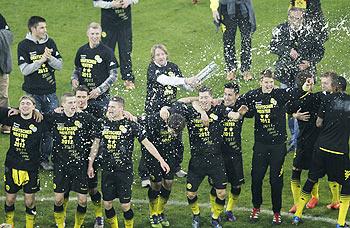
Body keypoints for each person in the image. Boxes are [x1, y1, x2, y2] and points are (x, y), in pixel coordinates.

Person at [161, 86, 245, 228]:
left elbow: (233, 115)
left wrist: (239, 114)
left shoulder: (219, 110)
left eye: (206, 97)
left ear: (211, 99)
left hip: (216, 160)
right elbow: (179, 102)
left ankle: (215, 217)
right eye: (201, 97)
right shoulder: (191, 112)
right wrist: (165, 108)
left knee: (222, 193)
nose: (204, 100)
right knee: (191, 193)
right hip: (197, 161)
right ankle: (196, 215)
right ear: (198, 99)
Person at [87, 96, 170, 228]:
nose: (109, 109)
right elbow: (95, 145)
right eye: (109, 107)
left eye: (113, 107)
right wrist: (90, 164)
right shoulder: (102, 123)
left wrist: (161, 160)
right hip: (107, 170)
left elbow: (147, 144)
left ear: (121, 108)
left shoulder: (130, 124)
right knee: (107, 204)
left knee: (125, 205)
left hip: (124, 171)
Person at [239, 69, 309, 225]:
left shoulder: (280, 94)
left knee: (275, 181)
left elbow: (296, 93)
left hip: (278, 146)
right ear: (261, 82)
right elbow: (241, 104)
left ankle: (276, 212)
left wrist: (305, 86)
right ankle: (256, 208)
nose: (269, 85)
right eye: (266, 82)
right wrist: (242, 110)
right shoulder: (253, 95)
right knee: (256, 178)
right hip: (260, 145)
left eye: (271, 82)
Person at [292, 75, 350, 227]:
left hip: (321, 148)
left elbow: (318, 123)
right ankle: (341, 222)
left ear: (335, 87)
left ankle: (297, 215)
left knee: (311, 179)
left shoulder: (327, 100)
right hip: (339, 151)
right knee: (347, 184)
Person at [139, 44, 198, 187]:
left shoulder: (173, 66)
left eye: (162, 54)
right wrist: (185, 80)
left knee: (175, 137)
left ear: (166, 54)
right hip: (154, 110)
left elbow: (182, 85)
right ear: (153, 57)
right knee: (151, 140)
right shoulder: (152, 69)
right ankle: (145, 174)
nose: (160, 57)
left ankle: (176, 167)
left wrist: (192, 84)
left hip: (172, 108)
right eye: (157, 55)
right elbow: (165, 80)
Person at [17, 16, 63, 171]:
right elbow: (24, 69)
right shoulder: (23, 45)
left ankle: (44, 159)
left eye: (45, 27)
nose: (45, 30)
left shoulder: (50, 43)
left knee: (50, 127)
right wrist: (40, 60)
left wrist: (49, 58)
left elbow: (60, 65)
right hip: (32, 95)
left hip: (50, 93)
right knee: (33, 127)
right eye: (42, 28)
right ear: (33, 29)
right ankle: (30, 158)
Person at [46, 93, 96, 228]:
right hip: (60, 165)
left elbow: (104, 122)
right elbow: (35, 117)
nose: (74, 105)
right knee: (58, 200)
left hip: (80, 165)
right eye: (70, 103)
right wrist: (16, 109)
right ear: (62, 105)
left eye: (74, 102)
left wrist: (125, 113)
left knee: (83, 201)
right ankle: (60, 224)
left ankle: (77, 226)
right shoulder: (55, 117)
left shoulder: (85, 118)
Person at [1, 96, 44, 227]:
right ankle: (9, 224)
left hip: (31, 167)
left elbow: (56, 116)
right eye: (22, 104)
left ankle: (29, 225)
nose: (25, 106)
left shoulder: (40, 120)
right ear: (19, 106)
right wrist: (15, 109)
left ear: (33, 106)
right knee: (9, 199)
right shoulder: (12, 117)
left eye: (28, 104)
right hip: (12, 165)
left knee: (29, 201)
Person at [138, 111, 186, 227]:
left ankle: (160, 211)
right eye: (172, 131)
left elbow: (178, 143)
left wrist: (177, 161)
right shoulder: (153, 121)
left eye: (176, 132)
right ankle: (153, 213)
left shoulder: (176, 121)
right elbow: (140, 123)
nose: (174, 134)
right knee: (157, 184)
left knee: (168, 183)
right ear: (166, 122)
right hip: (153, 158)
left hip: (168, 156)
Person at [71, 22, 118, 117]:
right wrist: (74, 78)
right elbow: (77, 69)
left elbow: (114, 75)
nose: (95, 36)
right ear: (87, 34)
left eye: (97, 34)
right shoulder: (82, 50)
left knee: (100, 123)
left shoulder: (107, 52)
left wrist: (99, 90)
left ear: (101, 34)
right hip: (83, 97)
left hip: (101, 98)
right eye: (92, 33)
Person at [270, 7, 325, 88]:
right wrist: (288, 50)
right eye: (292, 18)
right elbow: (273, 46)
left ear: (303, 18)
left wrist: (309, 62)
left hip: (305, 72)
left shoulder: (310, 31)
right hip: (285, 71)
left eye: (297, 18)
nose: (294, 21)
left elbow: (320, 51)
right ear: (288, 17)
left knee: (303, 98)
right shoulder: (281, 29)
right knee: (285, 96)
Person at [93, 0, 138, 90]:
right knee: (107, 51)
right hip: (108, 24)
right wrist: (111, 4)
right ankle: (105, 77)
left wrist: (128, 2)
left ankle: (128, 78)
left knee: (126, 50)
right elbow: (96, 3)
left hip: (125, 24)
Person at [210, 0, 256, 81]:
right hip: (225, 7)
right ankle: (231, 69)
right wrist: (214, 9)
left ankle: (246, 69)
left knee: (246, 39)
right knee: (228, 40)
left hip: (243, 5)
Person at [0, 13, 13, 134]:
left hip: (1, 68)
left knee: (3, 96)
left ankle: (5, 123)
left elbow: (8, 36)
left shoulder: (0, 18)